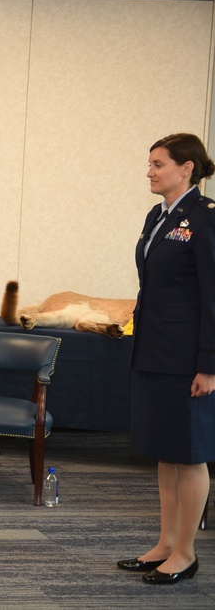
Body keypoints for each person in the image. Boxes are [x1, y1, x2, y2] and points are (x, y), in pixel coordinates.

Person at [118, 133, 215, 585]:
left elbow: (213, 298)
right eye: (150, 163)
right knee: (165, 451)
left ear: (187, 167)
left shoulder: (205, 217)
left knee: (190, 454)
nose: (150, 171)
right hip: (155, 349)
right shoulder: (157, 216)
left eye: (159, 164)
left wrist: (209, 365)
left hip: (187, 357)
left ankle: (186, 552)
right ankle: (164, 542)